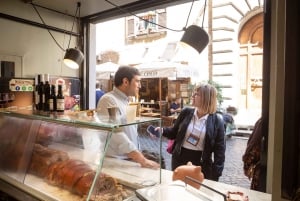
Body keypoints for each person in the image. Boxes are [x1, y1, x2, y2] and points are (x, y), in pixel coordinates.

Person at [155, 83, 226, 181]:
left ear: (206, 98)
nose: (192, 96)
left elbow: (220, 150)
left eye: (196, 94)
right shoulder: (186, 112)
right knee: (178, 188)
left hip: (201, 163)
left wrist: (216, 174)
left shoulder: (217, 121)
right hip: (180, 158)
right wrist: (162, 131)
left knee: (197, 192)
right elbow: (174, 132)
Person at [97, 66, 159, 169]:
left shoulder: (128, 101)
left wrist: (139, 153)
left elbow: (132, 131)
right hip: (116, 162)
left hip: (130, 160)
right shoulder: (108, 100)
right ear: (126, 81)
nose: (140, 86)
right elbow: (116, 134)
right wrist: (141, 159)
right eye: (137, 81)